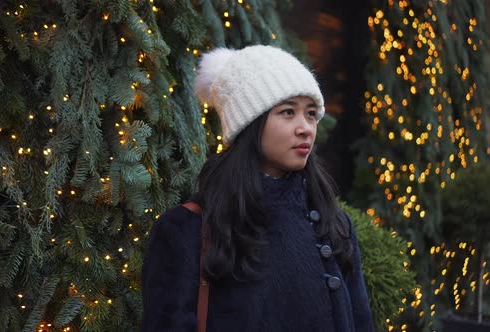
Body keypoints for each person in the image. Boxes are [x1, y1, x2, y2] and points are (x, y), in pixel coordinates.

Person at [141, 45, 374, 332]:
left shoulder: (334, 223)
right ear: (250, 124)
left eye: (311, 113)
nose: (306, 128)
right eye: (288, 112)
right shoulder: (188, 229)